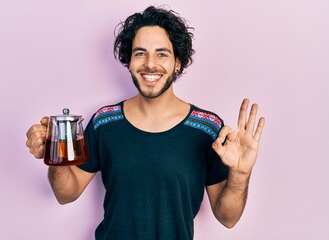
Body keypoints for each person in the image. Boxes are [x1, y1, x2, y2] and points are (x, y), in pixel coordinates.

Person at [26, 5, 265, 240]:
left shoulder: (208, 129)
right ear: (129, 61)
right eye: (140, 53)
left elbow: (227, 218)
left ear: (177, 62)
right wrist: (55, 154)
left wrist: (240, 174)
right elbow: (66, 194)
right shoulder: (104, 122)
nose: (150, 64)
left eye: (162, 53)